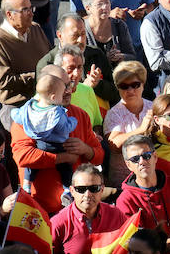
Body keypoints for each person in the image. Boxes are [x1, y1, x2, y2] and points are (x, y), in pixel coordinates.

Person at [11, 64, 104, 214]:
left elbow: (99, 156)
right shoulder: (27, 117)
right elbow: (23, 157)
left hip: (76, 208)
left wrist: (85, 149)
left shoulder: (79, 115)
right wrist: (64, 157)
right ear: (48, 90)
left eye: (69, 85)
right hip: (39, 210)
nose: (68, 90)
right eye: (63, 86)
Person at [0, 0, 52, 130]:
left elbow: (51, 59)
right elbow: (4, 81)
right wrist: (39, 77)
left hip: (46, 100)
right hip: (17, 106)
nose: (31, 14)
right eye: (25, 10)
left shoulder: (36, 29)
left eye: (31, 8)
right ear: (9, 15)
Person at [51, 164, 129, 254]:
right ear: (72, 191)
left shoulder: (116, 214)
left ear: (102, 190)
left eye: (94, 189)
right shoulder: (58, 223)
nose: (87, 194)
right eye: (81, 189)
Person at [10, 71, 76, 200]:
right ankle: (67, 189)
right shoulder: (56, 111)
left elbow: (17, 116)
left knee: (32, 166)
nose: (66, 94)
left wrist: (13, 112)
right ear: (53, 97)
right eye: (62, 93)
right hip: (57, 145)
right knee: (65, 168)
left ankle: (27, 184)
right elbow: (64, 128)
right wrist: (73, 121)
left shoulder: (30, 108)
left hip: (40, 144)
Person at [116, 134, 170, 241]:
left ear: (155, 157)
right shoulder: (125, 200)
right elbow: (137, 243)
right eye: (135, 159)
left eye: (146, 155)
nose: (142, 162)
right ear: (128, 165)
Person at [104, 60, 153, 186]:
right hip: (124, 180)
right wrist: (141, 130)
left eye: (135, 85)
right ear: (118, 88)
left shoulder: (153, 108)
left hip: (151, 174)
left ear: (143, 84)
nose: (130, 90)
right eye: (124, 86)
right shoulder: (114, 113)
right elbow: (113, 145)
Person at [80, 0, 137, 68]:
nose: (105, 7)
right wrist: (106, 59)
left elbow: (132, 56)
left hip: (118, 77)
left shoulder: (119, 25)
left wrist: (121, 57)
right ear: (88, 8)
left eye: (107, 2)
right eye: (99, 4)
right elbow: (80, 61)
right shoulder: (82, 29)